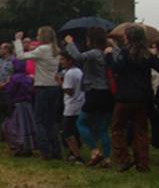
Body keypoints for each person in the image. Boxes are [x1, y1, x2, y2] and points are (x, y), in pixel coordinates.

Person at [105, 24, 159, 172]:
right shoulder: (147, 55)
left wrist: (109, 55)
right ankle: (142, 163)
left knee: (117, 128)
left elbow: (117, 68)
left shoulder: (124, 53)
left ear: (128, 38)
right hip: (143, 97)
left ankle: (123, 159)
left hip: (125, 97)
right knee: (141, 131)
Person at [65, 29, 113, 168]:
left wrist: (70, 43)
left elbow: (78, 57)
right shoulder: (108, 52)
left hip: (94, 92)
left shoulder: (95, 53)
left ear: (92, 40)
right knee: (103, 129)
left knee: (81, 123)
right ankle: (107, 158)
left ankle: (95, 150)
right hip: (106, 93)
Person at [14, 27, 62, 160]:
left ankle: (46, 151)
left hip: (43, 88)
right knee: (51, 122)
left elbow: (21, 56)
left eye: (38, 34)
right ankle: (56, 150)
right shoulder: (55, 50)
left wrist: (18, 41)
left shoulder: (42, 49)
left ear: (44, 36)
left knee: (39, 121)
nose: (37, 36)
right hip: (53, 87)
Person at [3, 59, 37, 156]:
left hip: (17, 105)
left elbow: (10, 91)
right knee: (27, 126)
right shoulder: (28, 78)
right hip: (27, 105)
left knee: (15, 126)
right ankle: (29, 146)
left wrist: (7, 84)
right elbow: (33, 90)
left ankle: (19, 147)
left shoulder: (14, 78)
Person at [57, 51, 85, 164]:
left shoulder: (69, 74)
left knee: (67, 132)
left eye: (63, 59)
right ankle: (73, 153)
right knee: (75, 131)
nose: (61, 62)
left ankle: (77, 156)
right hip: (80, 103)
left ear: (70, 60)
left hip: (71, 106)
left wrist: (60, 82)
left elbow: (69, 91)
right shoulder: (79, 71)